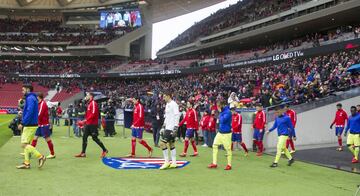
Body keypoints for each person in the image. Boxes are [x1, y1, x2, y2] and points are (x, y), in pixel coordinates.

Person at [16, 84, 46, 169]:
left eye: (23, 90)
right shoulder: (32, 98)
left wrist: (23, 123)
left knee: (24, 144)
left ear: (28, 89)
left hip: (30, 125)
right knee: (27, 144)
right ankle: (27, 163)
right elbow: (29, 111)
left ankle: (40, 157)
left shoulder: (30, 98)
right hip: (32, 124)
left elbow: (30, 112)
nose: (22, 91)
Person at [75, 92, 108, 158]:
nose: (86, 97)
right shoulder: (89, 103)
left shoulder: (93, 103)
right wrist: (84, 121)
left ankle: (105, 150)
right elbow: (88, 115)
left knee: (95, 138)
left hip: (92, 124)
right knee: (84, 137)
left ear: (91, 96)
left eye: (87, 95)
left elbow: (93, 114)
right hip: (88, 124)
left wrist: (84, 121)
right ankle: (83, 153)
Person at [208, 100, 232, 170]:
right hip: (220, 132)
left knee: (228, 149)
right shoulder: (222, 112)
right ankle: (214, 163)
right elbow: (219, 119)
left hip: (226, 134)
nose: (217, 107)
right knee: (214, 145)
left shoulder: (228, 112)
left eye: (218, 106)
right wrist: (217, 114)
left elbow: (222, 120)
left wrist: (217, 114)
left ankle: (229, 165)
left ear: (222, 105)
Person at [159, 90, 180, 170]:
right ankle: (174, 163)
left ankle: (166, 162)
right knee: (171, 143)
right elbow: (167, 117)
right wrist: (163, 126)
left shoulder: (174, 104)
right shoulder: (167, 104)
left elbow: (177, 116)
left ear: (168, 96)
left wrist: (175, 128)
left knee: (162, 143)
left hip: (171, 128)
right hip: (167, 127)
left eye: (164, 96)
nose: (163, 98)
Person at [31, 93, 56, 159]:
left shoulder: (43, 104)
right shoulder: (38, 104)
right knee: (35, 138)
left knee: (48, 139)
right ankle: (29, 152)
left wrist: (32, 119)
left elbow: (39, 114)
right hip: (39, 125)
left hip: (44, 125)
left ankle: (52, 154)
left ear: (39, 97)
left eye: (36, 97)